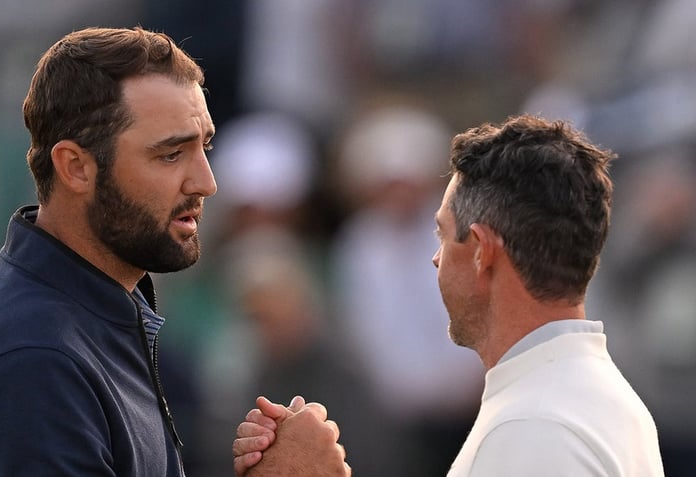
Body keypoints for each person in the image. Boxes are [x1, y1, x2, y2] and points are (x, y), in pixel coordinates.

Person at [0, 26, 347, 476]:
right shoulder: (36, 360)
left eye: (203, 147)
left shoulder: (83, 303)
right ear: (75, 167)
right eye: (170, 154)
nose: (206, 182)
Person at [233, 114, 665, 476]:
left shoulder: (532, 426)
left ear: (480, 251)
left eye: (442, 236)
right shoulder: (582, 400)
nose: (436, 260)